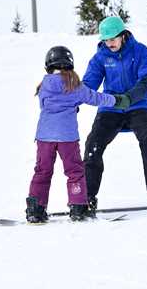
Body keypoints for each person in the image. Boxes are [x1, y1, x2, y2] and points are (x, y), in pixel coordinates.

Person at [25, 45, 130, 223]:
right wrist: (117, 101)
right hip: (67, 137)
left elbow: (45, 106)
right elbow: (96, 98)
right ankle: (77, 206)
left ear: (48, 66)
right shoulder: (74, 85)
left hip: (44, 137)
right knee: (74, 172)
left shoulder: (43, 86)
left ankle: (36, 208)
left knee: (42, 172)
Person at [82, 16, 147, 213]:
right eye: (106, 40)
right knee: (93, 143)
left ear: (123, 35)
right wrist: (73, 101)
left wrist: (130, 98)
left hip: (137, 105)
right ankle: (86, 196)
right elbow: (88, 85)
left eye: (113, 38)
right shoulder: (100, 58)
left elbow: (146, 80)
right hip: (110, 107)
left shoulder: (140, 51)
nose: (110, 43)